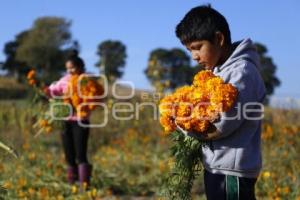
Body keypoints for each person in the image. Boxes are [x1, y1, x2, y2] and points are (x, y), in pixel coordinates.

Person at [175, 5, 266, 200]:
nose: (194, 56)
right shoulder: (219, 71)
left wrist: (182, 123)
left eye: (197, 47)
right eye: (189, 50)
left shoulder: (242, 73)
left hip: (233, 173)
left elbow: (221, 126)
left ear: (219, 39)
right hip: (218, 167)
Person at [46, 51, 93, 189]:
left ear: (80, 67)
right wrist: (48, 92)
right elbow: (53, 90)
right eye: (67, 68)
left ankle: (84, 185)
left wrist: (87, 106)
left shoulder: (86, 81)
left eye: (72, 68)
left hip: (80, 121)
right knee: (69, 154)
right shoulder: (64, 80)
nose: (69, 71)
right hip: (65, 120)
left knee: (81, 154)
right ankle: (72, 185)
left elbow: (95, 96)